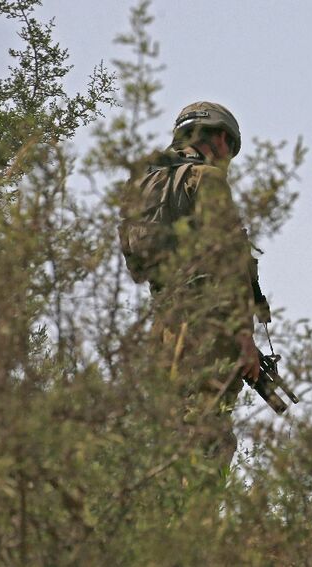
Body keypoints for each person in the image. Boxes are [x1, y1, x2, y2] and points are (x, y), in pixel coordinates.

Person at [119, 101, 262, 471]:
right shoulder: (207, 180)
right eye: (229, 146)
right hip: (208, 327)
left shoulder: (145, 183)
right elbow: (228, 261)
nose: (228, 156)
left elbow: (136, 263)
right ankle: (196, 519)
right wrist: (244, 336)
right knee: (208, 432)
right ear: (218, 138)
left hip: (164, 325)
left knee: (167, 427)